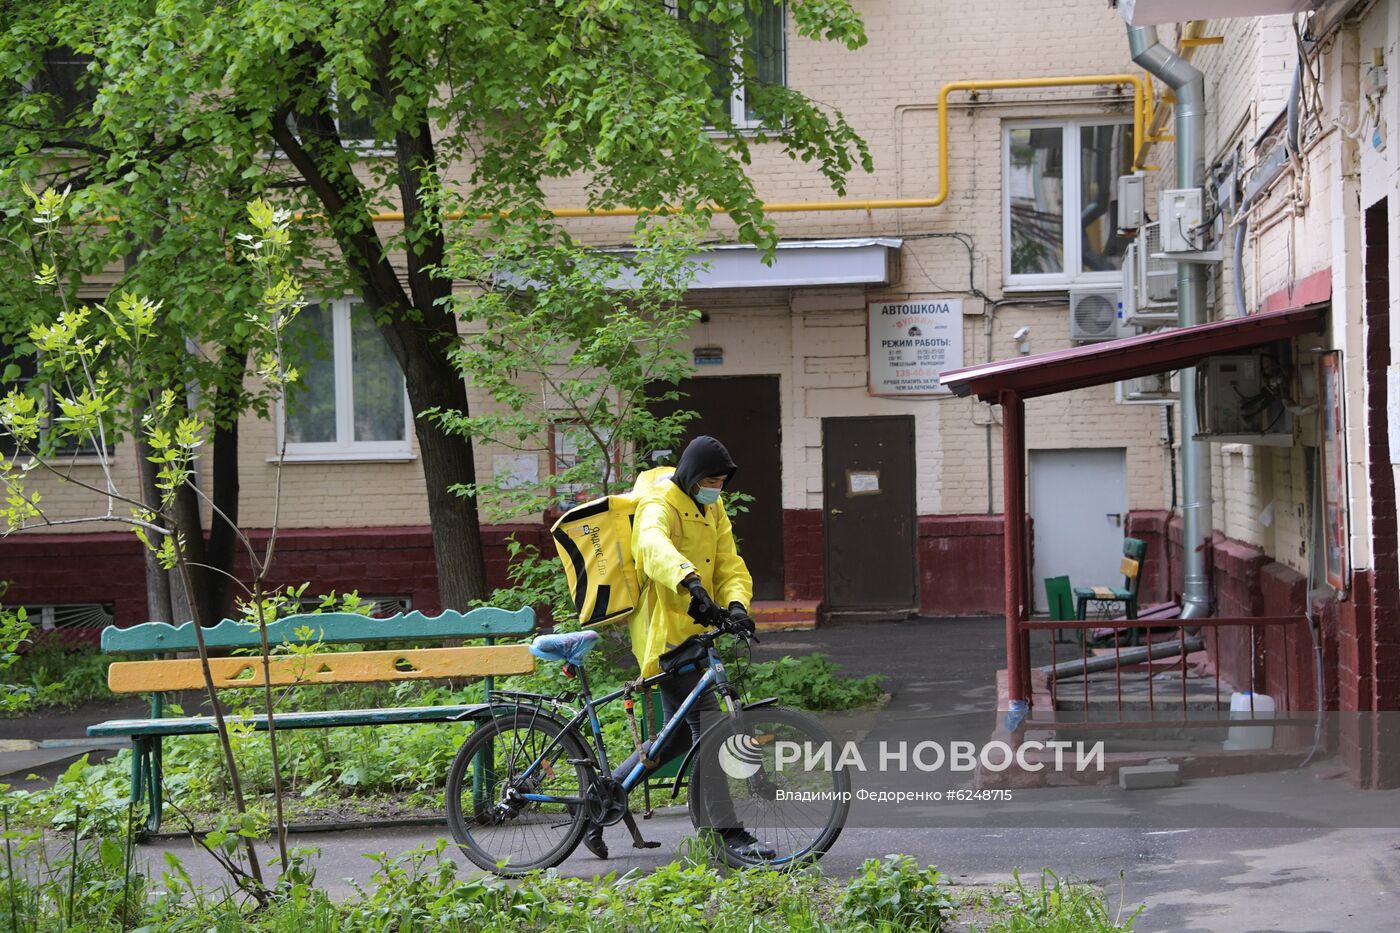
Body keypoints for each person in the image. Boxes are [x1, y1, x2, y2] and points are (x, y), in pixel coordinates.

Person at [582, 435, 775, 861]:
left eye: (721, 481)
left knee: (670, 741)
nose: (715, 488)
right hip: (666, 635)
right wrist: (689, 580)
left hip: (697, 634)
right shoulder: (659, 502)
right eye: (709, 480)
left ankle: (595, 806)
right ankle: (728, 836)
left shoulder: (713, 506)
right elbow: (652, 546)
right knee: (708, 730)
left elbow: (728, 562)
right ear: (689, 475)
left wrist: (738, 603)